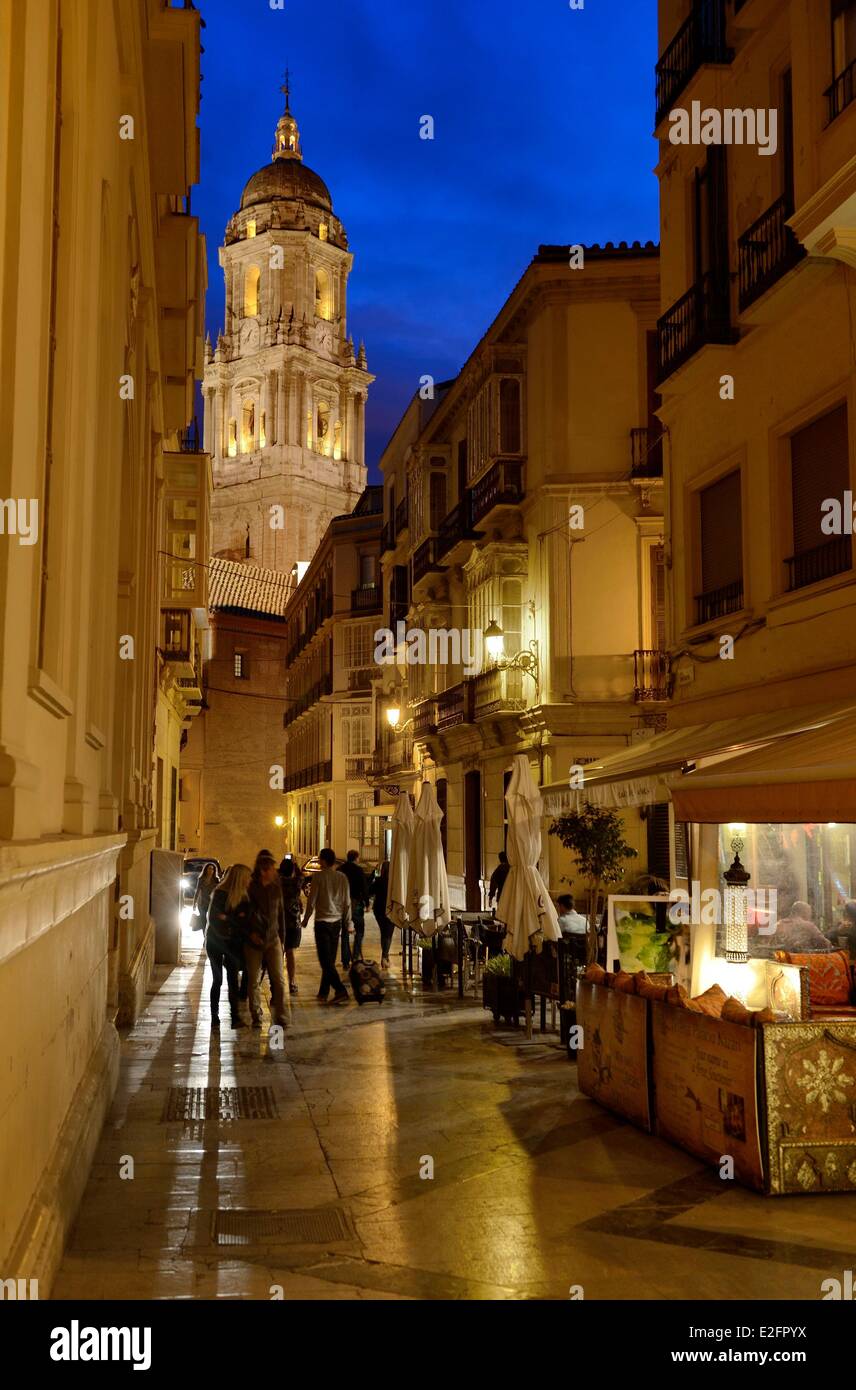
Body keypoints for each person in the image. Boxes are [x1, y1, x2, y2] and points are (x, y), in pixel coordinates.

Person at [243, 850, 288, 1029]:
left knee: (278, 979)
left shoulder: (276, 888)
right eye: (272, 869)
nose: (275, 871)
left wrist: (282, 939)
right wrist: (250, 933)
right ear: (263, 870)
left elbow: (281, 914)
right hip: (253, 941)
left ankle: (281, 1016)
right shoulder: (250, 889)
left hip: (273, 939)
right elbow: (243, 915)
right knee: (253, 980)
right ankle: (256, 1015)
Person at [303, 847, 352, 1005]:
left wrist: (306, 919)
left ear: (324, 860)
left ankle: (340, 990)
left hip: (322, 922)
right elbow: (347, 903)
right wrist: (348, 922)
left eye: (319, 859)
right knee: (329, 959)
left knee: (325, 961)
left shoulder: (318, 878)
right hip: (336, 922)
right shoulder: (342, 877)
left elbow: (312, 901)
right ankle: (323, 993)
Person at [205, 864, 251, 1029]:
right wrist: (234, 919)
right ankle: (214, 1016)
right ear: (240, 879)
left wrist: (228, 918)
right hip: (216, 942)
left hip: (232, 944)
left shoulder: (244, 898)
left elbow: (244, 921)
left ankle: (235, 1018)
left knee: (233, 980)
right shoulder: (219, 893)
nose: (249, 881)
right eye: (247, 878)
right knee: (217, 980)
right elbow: (214, 919)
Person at [339, 849, 369, 967]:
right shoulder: (359, 870)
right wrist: (367, 903)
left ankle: (345, 961)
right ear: (356, 858)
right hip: (356, 904)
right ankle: (356, 955)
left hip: (342, 905)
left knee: (345, 933)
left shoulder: (340, 870)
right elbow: (364, 887)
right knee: (360, 930)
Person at [278, 857, 303, 994]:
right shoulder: (295, 883)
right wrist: (296, 866)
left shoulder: (277, 882)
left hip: (279, 921)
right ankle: (292, 982)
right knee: (290, 952)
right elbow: (301, 876)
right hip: (293, 921)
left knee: (278, 952)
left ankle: (278, 980)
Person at [372, 860, 395, 971]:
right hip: (390, 909)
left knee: (384, 932)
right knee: (388, 934)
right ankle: (385, 957)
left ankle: (385, 956)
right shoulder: (394, 882)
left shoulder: (378, 880)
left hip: (378, 909)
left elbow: (370, 891)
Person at [192, 862, 219, 933]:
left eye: (212, 869)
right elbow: (197, 890)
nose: (211, 870)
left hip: (211, 902)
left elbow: (218, 891)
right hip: (202, 902)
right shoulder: (201, 879)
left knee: (210, 919)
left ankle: (209, 933)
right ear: (206, 869)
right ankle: (205, 934)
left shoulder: (216, 879)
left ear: (214, 871)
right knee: (203, 919)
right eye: (209, 868)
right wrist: (194, 902)